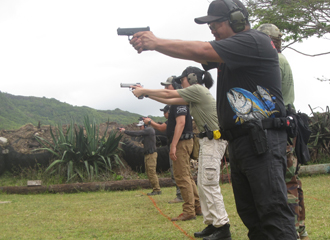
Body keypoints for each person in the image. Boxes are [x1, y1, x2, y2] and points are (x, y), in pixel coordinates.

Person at [129, 0, 297, 239]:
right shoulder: (232, 52)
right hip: (242, 142)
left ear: (237, 20)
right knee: (252, 215)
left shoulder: (253, 41)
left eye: (216, 23)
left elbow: (202, 50)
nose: (212, 29)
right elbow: (201, 54)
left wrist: (155, 42)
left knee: (273, 214)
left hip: (263, 140)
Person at [132, 66, 231, 240]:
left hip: (213, 141)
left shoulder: (197, 90)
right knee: (202, 183)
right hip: (207, 141)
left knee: (209, 183)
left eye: (182, 79)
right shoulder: (195, 94)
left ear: (192, 78)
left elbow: (170, 95)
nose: (180, 82)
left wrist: (144, 90)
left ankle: (223, 227)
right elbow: (170, 98)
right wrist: (145, 93)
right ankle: (212, 223)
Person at [257, 23, 309, 240]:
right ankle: (300, 229)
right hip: (287, 124)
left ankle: (295, 230)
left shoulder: (274, 61)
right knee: (291, 180)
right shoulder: (280, 59)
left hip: (280, 127)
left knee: (286, 181)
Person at [142, 102, 184, 204]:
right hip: (176, 147)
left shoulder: (173, 120)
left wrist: (149, 122)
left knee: (177, 172)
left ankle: (181, 195)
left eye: (165, 112)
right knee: (178, 172)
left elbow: (161, 128)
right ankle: (183, 195)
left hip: (176, 148)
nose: (164, 115)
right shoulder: (173, 120)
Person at [119, 121, 161, 196]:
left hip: (151, 154)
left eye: (141, 126)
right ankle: (155, 189)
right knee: (149, 172)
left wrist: (125, 131)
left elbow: (136, 133)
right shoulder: (147, 132)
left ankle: (157, 190)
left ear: (145, 126)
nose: (140, 128)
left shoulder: (149, 130)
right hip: (148, 154)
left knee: (151, 172)